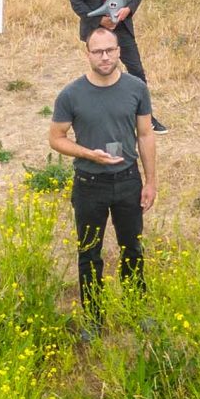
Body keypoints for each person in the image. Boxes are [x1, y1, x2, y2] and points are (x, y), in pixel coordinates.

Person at [48, 27, 157, 331]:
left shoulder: (136, 88)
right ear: (88, 55)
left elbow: (146, 134)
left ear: (119, 51)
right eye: (98, 52)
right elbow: (56, 138)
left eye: (110, 50)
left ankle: (136, 310)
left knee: (132, 248)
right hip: (89, 184)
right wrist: (89, 154)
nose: (105, 57)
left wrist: (151, 181)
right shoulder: (71, 94)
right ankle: (94, 320)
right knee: (89, 253)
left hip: (127, 182)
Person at [67, 0, 167, 133]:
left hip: (122, 26)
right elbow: (76, 1)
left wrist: (127, 11)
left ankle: (145, 117)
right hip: (96, 28)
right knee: (101, 71)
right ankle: (101, 117)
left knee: (136, 72)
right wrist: (100, 21)